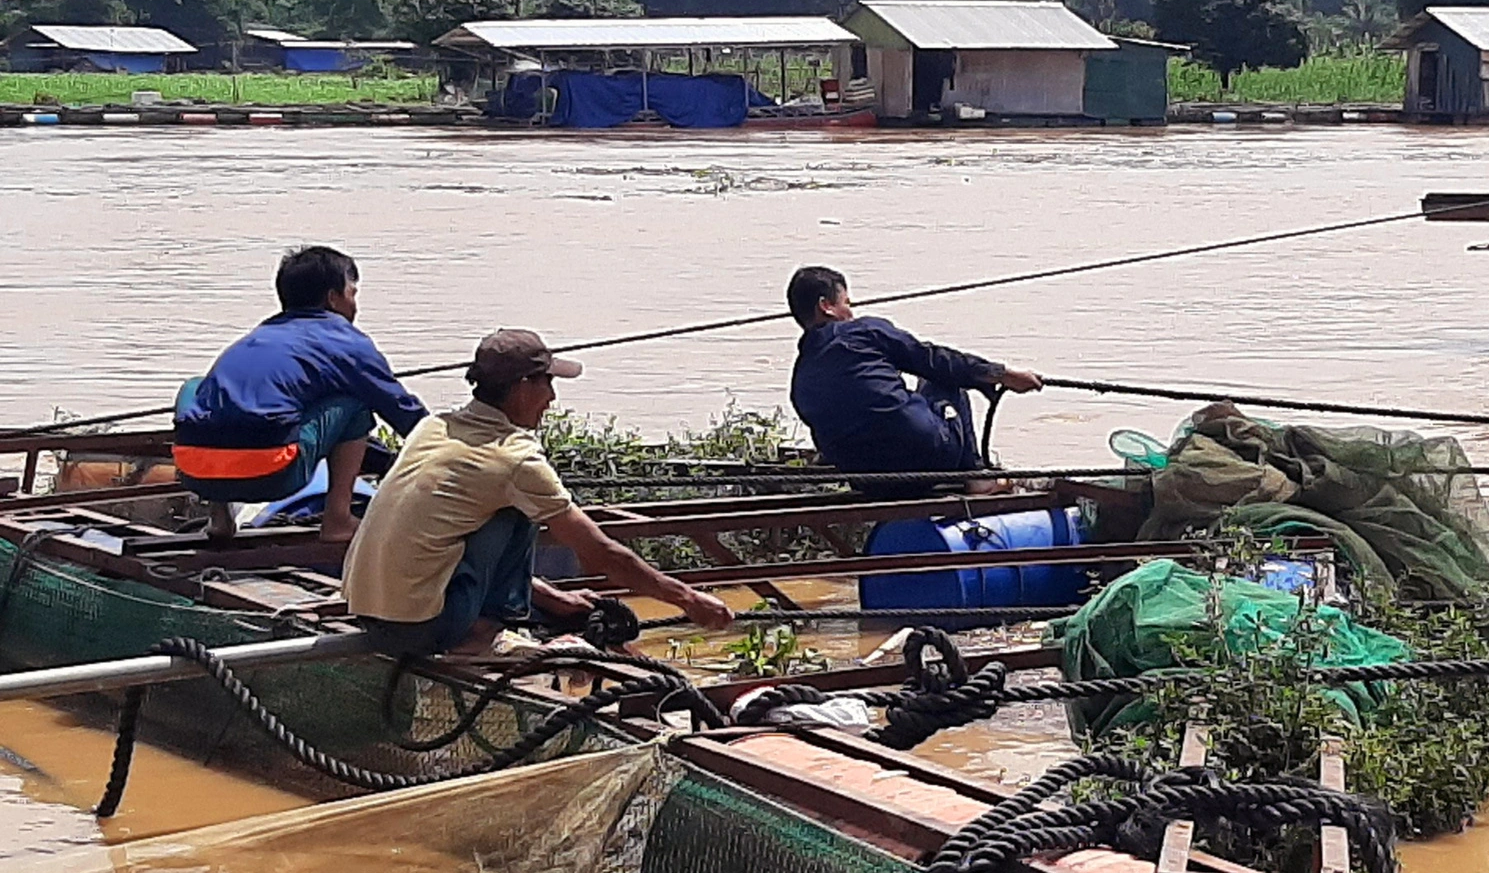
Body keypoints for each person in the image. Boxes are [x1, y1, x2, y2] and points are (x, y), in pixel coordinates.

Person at [342, 328, 732, 655]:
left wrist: (554, 599)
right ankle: (484, 632)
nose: (553, 398)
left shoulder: (433, 428)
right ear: (523, 387)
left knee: (494, 507)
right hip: (423, 628)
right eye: (548, 382)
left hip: (366, 611)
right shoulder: (514, 458)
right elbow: (600, 552)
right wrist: (689, 599)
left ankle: (492, 617)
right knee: (521, 508)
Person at [174, 246, 428, 543]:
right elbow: (402, 410)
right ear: (333, 298)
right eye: (352, 294)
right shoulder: (347, 341)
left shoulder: (256, 336)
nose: (354, 305)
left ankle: (219, 519)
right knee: (356, 402)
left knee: (195, 386)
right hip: (273, 474)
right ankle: (338, 520)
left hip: (196, 474)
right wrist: (452, 444)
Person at [786, 266, 1042, 476]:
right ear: (826, 306)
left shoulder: (800, 380)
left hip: (869, 482)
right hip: (927, 456)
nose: (851, 312)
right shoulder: (863, 331)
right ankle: (975, 477)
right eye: (846, 303)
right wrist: (1003, 374)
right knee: (940, 381)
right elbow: (933, 359)